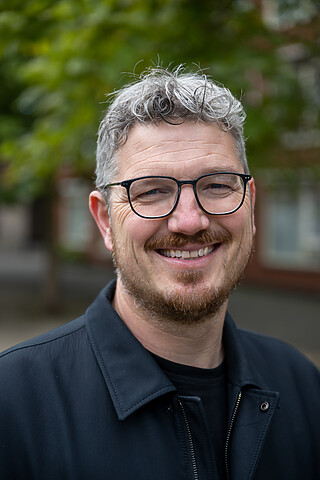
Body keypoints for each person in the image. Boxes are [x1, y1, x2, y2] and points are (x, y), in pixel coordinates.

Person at [0, 66, 319, 480]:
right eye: (152, 191)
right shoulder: (14, 405)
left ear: (250, 204)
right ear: (104, 221)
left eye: (217, 186)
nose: (190, 222)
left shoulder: (302, 387)